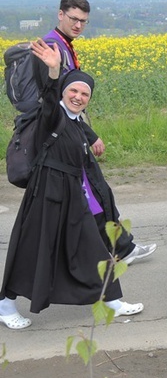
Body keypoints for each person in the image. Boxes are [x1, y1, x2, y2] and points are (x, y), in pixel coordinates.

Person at [0, 39, 144, 330]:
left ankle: (112, 301)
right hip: (47, 194)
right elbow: (51, 101)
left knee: (91, 247)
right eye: (73, 91)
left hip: (71, 194)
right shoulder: (51, 116)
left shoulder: (77, 122)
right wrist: (54, 73)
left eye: (84, 93)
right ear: (63, 92)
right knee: (31, 250)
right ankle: (5, 304)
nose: (78, 97)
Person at [33, 0, 157, 266]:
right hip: (62, 137)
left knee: (93, 192)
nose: (78, 25)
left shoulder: (64, 44)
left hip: (68, 132)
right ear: (60, 14)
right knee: (91, 192)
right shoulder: (54, 46)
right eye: (74, 19)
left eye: (83, 21)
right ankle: (113, 250)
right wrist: (89, 135)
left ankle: (117, 247)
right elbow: (59, 102)